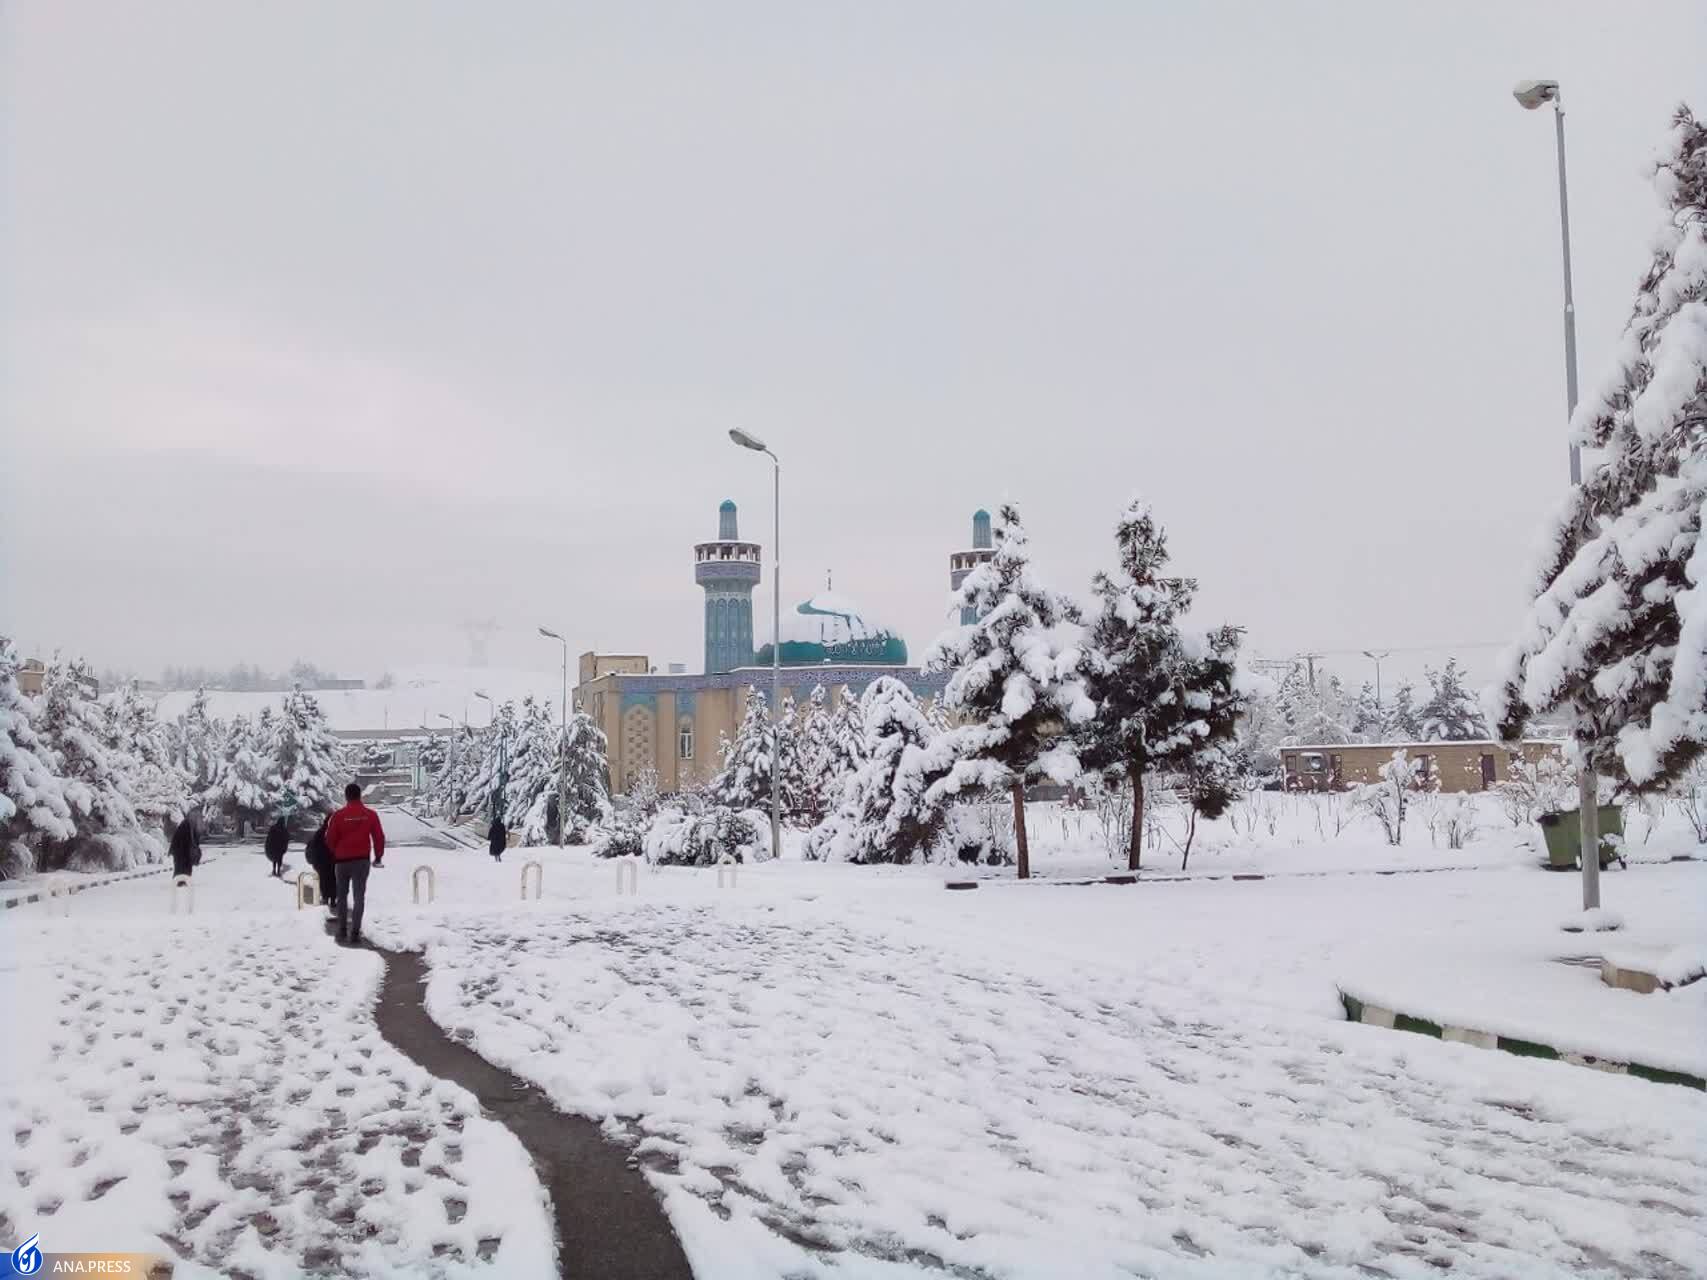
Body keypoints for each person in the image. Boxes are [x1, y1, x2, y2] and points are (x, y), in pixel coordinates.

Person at [326, 782, 386, 947]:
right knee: (359, 896)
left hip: (342, 862)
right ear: (360, 796)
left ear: (346, 796)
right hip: (361, 861)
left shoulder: (338, 816)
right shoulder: (370, 815)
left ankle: (342, 930)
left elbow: (329, 838)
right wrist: (378, 856)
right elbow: (379, 837)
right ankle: (355, 933)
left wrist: (336, 852)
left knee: (342, 896)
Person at [305, 817, 336, 912]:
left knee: (323, 880)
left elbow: (312, 846)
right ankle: (333, 899)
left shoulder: (319, 832)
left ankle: (325, 898)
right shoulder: (337, 831)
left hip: (321, 862)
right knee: (334, 880)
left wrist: (314, 860)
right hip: (334, 861)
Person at [168, 812, 201, 879]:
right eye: (195, 817)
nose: (197, 819)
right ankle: (180, 880)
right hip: (181, 852)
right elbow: (186, 840)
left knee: (183, 868)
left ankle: (181, 880)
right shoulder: (186, 825)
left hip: (184, 852)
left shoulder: (190, 825)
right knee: (181, 869)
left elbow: (194, 840)